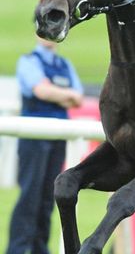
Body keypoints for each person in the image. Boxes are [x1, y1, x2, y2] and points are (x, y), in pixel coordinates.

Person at [7, 37, 83, 254]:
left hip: (57, 138)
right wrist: (65, 95)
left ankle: (40, 249)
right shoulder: (28, 61)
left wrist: (54, 93)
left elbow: (76, 99)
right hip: (33, 137)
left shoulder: (64, 64)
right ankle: (17, 249)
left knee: (48, 198)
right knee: (30, 196)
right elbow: (41, 91)